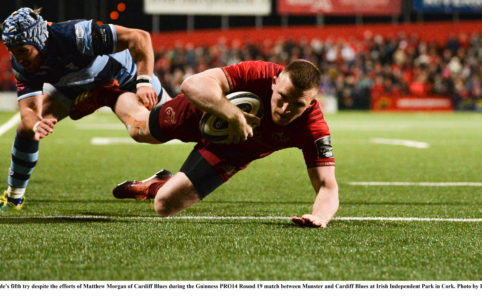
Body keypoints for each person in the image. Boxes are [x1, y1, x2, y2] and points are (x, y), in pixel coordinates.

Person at [0, 7, 168, 211]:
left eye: (22, 50)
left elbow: (140, 37)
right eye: (12, 50)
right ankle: (14, 198)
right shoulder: (20, 63)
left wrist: (144, 81)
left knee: (151, 129)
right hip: (78, 89)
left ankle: (163, 179)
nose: (18, 57)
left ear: (39, 40)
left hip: (121, 79)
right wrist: (38, 123)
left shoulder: (75, 35)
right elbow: (29, 110)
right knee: (26, 129)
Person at [112, 59, 339, 228]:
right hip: (202, 111)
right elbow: (191, 84)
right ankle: (108, 94)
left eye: (298, 104)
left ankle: (157, 184)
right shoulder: (258, 72)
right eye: (282, 97)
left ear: (312, 102)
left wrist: (320, 216)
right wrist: (234, 116)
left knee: (164, 205)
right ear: (274, 82)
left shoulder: (313, 127)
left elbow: (327, 185)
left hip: (232, 152)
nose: (285, 109)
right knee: (139, 129)